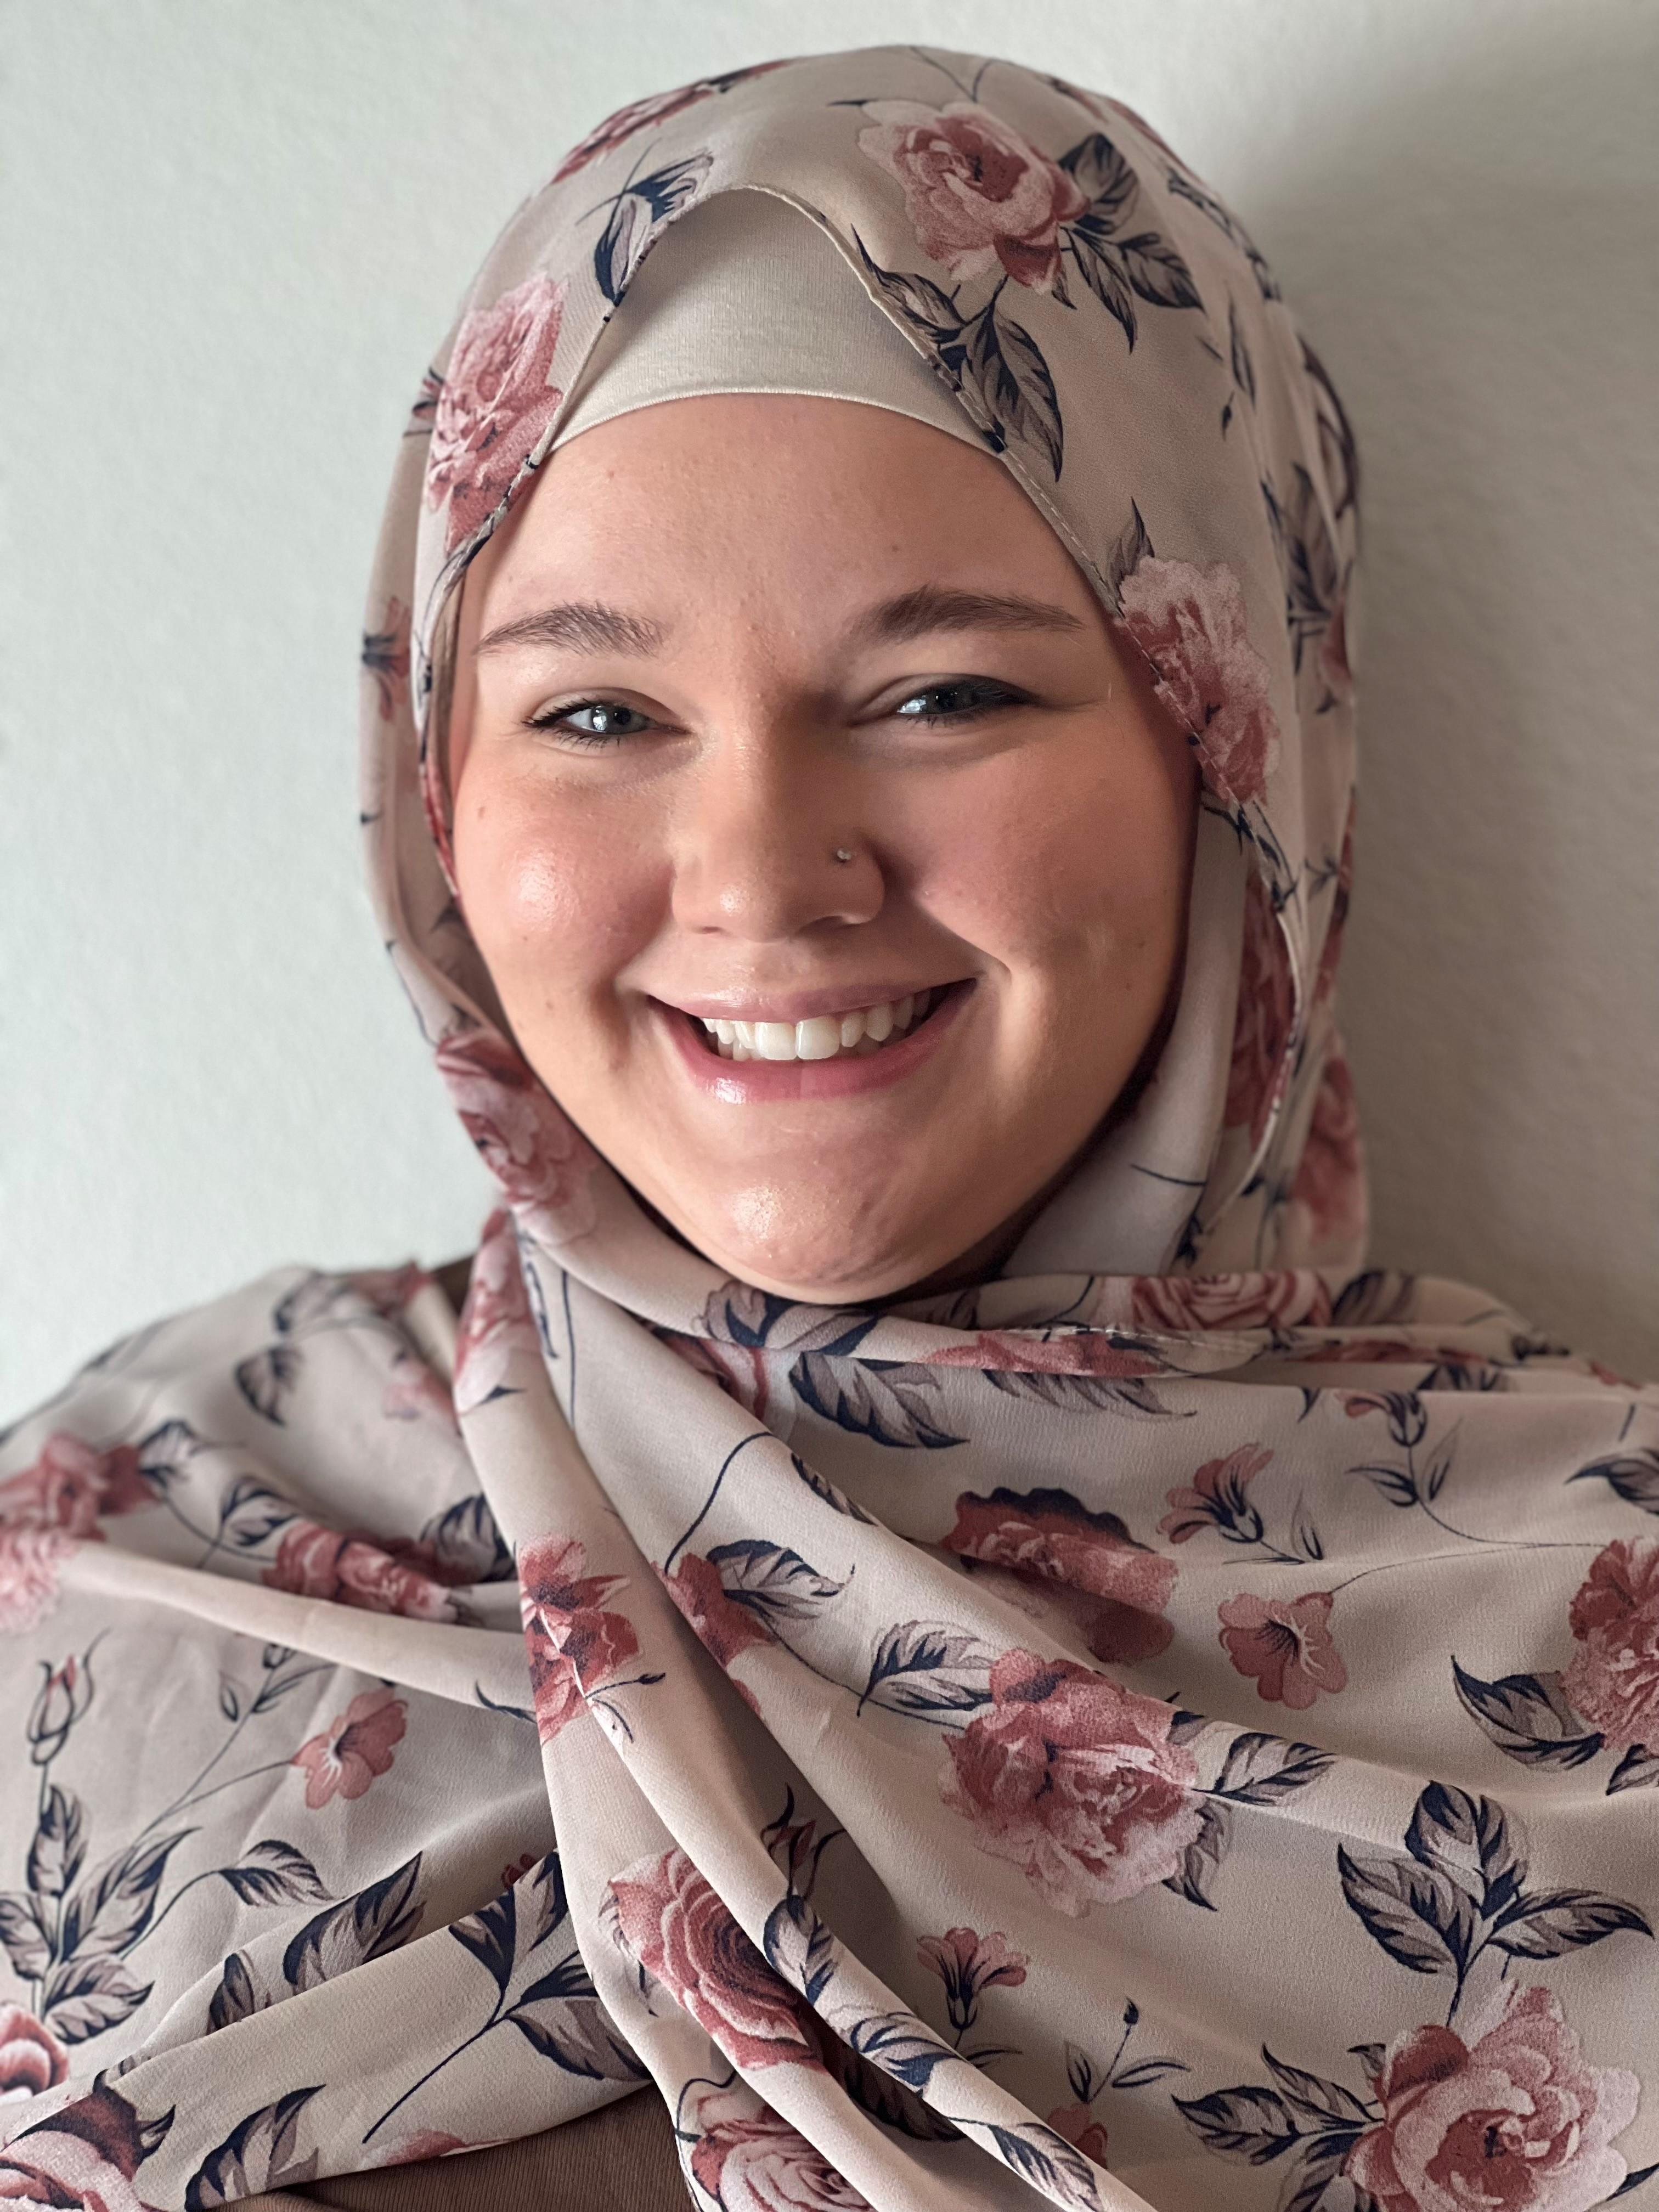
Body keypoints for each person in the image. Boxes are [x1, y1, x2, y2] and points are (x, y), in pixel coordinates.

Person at [2, 44, 1655, 2212]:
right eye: (598, 712)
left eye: (944, 693)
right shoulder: (145, 1551)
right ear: (437, 788)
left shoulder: (1595, 1642)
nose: (766, 877)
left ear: (1238, 750)